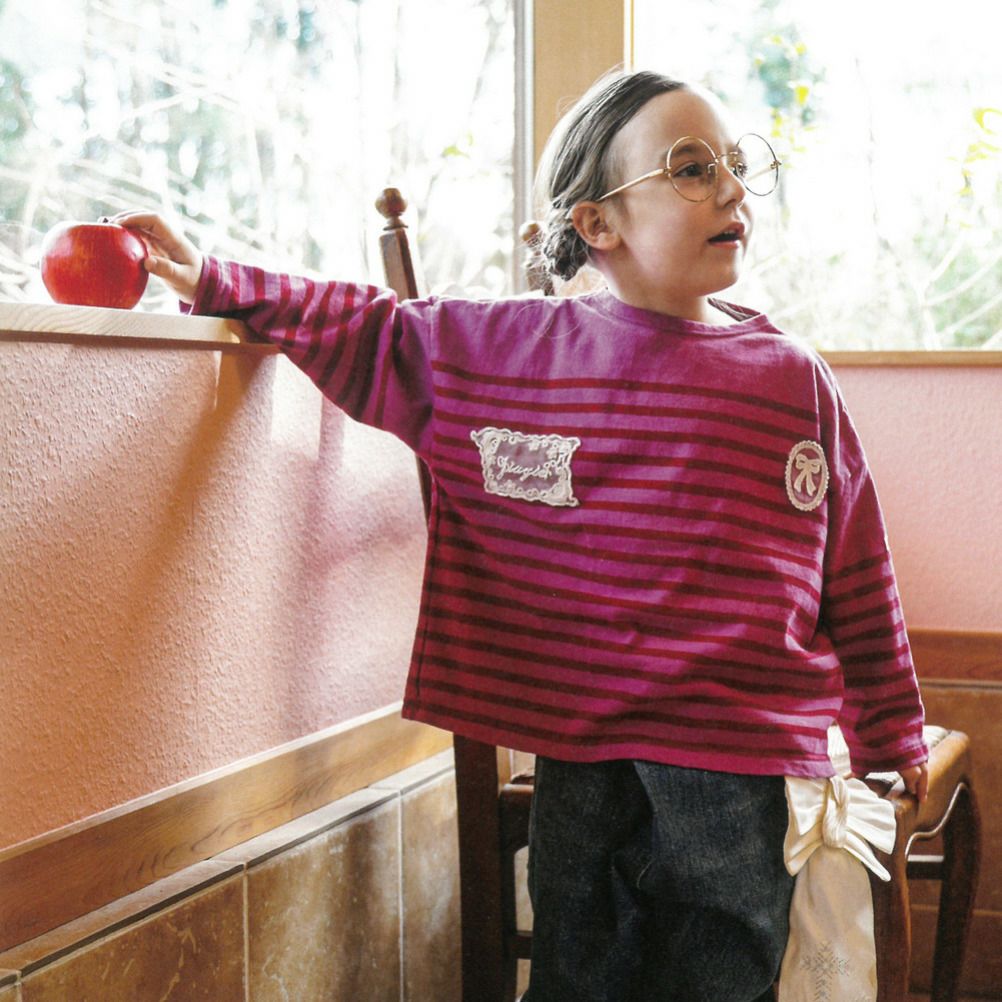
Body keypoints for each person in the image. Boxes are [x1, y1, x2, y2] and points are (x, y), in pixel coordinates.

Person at [114, 69, 929, 1002]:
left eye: (735, 164)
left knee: (718, 975)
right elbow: (372, 331)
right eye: (692, 168)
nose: (732, 188)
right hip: (576, 746)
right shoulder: (512, 351)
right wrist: (212, 278)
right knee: (574, 967)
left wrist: (888, 729)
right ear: (597, 224)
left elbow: (855, 567)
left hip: (736, 767)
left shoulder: (791, 379)